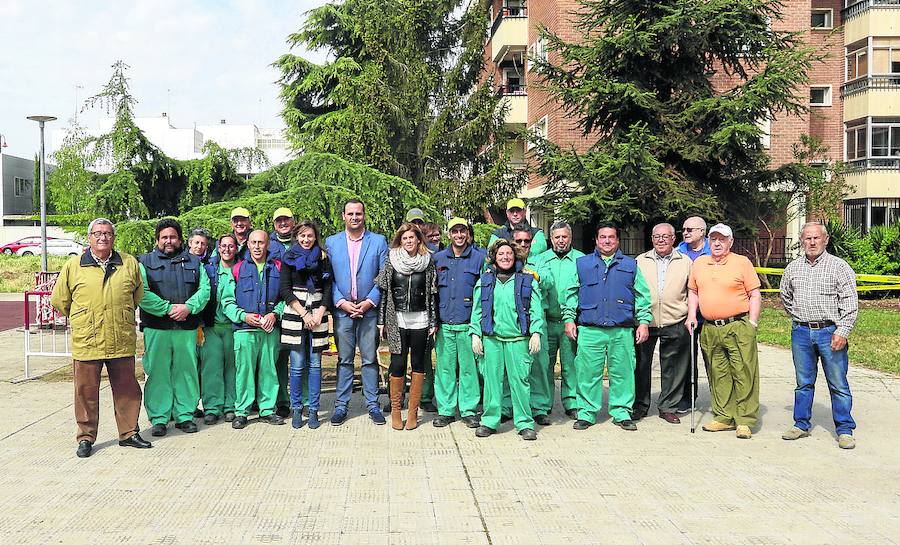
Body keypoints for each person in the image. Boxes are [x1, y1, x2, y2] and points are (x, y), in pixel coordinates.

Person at [50, 218, 151, 458]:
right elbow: (59, 300)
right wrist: (84, 317)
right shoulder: (73, 266)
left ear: (113, 237)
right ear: (89, 238)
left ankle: (128, 433)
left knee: (127, 388)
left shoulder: (129, 263)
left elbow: (137, 294)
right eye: (97, 233)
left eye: (107, 233)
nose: (103, 237)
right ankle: (86, 437)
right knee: (85, 391)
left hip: (120, 337)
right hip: (88, 339)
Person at [564, 224, 652, 432]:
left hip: (621, 331)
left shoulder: (631, 265)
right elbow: (570, 294)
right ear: (596, 240)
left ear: (618, 241)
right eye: (602, 237)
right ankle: (586, 412)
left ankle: (622, 412)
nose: (607, 241)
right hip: (589, 329)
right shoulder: (582, 264)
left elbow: (643, 296)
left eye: (611, 237)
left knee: (622, 373)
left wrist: (644, 322)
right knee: (587, 373)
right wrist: (569, 319)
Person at [780, 222, 859, 449]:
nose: (812, 242)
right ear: (801, 241)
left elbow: (850, 303)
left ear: (825, 240)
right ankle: (801, 424)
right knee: (803, 383)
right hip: (801, 332)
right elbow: (785, 296)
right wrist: (798, 316)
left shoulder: (839, 267)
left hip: (829, 332)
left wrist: (842, 331)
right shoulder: (793, 268)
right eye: (807, 238)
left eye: (816, 238)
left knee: (838, 383)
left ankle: (844, 429)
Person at [686, 223, 761, 439]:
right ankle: (723, 416)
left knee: (743, 371)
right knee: (717, 372)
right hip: (710, 327)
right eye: (713, 239)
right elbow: (693, 291)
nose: (717, 243)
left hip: (737, 325)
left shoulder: (741, 262)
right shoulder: (700, 263)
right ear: (708, 241)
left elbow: (754, 294)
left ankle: (744, 420)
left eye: (722, 239)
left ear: (730, 242)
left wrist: (752, 323)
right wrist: (692, 316)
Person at [138, 219, 210, 437]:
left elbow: (204, 290)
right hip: (157, 328)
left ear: (180, 239)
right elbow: (142, 292)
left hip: (186, 329)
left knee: (186, 372)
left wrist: (189, 308)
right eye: (164, 237)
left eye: (173, 237)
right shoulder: (144, 262)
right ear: (157, 239)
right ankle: (159, 418)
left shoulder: (195, 262)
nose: (168, 241)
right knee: (158, 373)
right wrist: (167, 308)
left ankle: (184, 415)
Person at [469, 239, 544, 440]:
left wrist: (536, 332)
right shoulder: (484, 281)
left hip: (518, 340)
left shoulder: (527, 280)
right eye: (501, 254)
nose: (505, 257)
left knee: (520, 383)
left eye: (509, 254)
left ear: (515, 256)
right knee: (492, 382)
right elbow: (477, 311)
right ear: (494, 256)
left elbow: (536, 310)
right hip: (492, 340)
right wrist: (475, 334)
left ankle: (525, 423)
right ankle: (489, 421)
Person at [325, 198, 389, 426]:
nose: (354, 217)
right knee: (344, 360)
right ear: (343, 216)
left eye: (358, 214)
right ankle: (341, 405)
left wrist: (370, 301)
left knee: (371, 359)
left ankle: (373, 404)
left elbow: (384, 276)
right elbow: (328, 278)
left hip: (368, 311)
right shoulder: (331, 243)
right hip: (343, 311)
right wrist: (340, 301)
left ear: (364, 215)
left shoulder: (379, 241)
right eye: (350, 214)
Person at [221, 230, 286, 429]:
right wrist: (243, 316)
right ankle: (242, 411)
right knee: (244, 372)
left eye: (261, 242)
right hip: (244, 330)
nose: (257, 246)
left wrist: (275, 314)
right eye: (253, 243)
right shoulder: (237, 269)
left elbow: (286, 297)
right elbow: (227, 301)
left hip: (269, 330)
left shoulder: (277, 268)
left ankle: (267, 410)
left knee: (269, 370)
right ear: (247, 245)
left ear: (268, 245)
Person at [376, 223, 437, 430]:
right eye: (404, 238)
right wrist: (381, 320)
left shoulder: (428, 261)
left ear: (419, 239)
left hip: (421, 318)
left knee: (419, 364)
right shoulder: (391, 260)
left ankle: (412, 412)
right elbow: (384, 291)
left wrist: (433, 321)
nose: (409, 241)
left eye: (412, 237)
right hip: (397, 319)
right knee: (398, 363)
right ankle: (396, 411)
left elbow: (432, 293)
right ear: (399, 241)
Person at [634, 223, 692, 424]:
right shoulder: (640, 260)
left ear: (673, 239)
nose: (661, 240)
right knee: (641, 365)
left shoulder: (685, 261)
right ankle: (640, 405)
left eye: (665, 236)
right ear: (651, 239)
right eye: (657, 236)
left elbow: (692, 290)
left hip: (675, 319)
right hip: (645, 321)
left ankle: (668, 406)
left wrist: (690, 314)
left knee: (673, 367)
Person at [432, 218, 487, 428]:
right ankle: (445, 410)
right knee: (444, 370)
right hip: (444, 325)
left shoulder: (479, 259)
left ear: (467, 233)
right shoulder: (438, 259)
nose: (459, 235)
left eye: (462, 231)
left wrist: (479, 326)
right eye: (454, 231)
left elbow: (484, 294)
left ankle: (468, 410)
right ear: (449, 235)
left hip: (467, 325)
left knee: (468, 370)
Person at [279, 220, 333, 430]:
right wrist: (303, 313)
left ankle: (313, 410)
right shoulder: (289, 257)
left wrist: (320, 312)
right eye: (302, 236)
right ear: (296, 237)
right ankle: (297, 408)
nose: (306, 239)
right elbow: (284, 289)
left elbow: (328, 287)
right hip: (296, 314)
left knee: (315, 365)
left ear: (315, 236)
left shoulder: (323, 258)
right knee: (298, 365)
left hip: (318, 314)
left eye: (310, 236)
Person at [535, 220, 584, 419]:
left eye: (565, 237)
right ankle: (543, 404)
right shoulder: (541, 260)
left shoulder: (581, 260)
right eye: (557, 237)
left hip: (570, 322)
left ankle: (571, 401)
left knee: (570, 364)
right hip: (547, 321)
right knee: (544, 365)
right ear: (551, 238)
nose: (561, 240)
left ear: (570, 238)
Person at [197, 234, 239, 425]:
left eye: (231, 246)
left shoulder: (242, 269)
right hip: (212, 327)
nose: (227, 249)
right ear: (218, 248)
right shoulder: (209, 270)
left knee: (233, 368)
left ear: (236, 249)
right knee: (211, 368)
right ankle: (212, 407)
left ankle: (231, 406)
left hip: (233, 327)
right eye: (223, 246)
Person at [676, 216, 711, 413]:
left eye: (690, 229)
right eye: (684, 229)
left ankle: (720, 398)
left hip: (708, 315)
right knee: (687, 358)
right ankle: (687, 398)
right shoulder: (679, 251)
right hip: (686, 315)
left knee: (712, 359)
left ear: (701, 232)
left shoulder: (712, 251)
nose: (686, 232)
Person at [268, 207, 297, 418]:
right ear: (274, 224)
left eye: (286, 220)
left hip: (301, 308)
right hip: (277, 309)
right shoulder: (268, 244)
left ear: (293, 221)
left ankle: (302, 400)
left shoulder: (303, 239)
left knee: (300, 357)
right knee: (278, 360)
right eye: (279, 221)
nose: (283, 223)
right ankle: (282, 401)